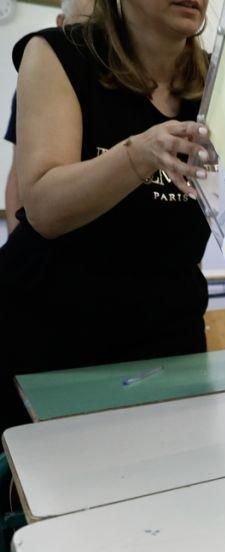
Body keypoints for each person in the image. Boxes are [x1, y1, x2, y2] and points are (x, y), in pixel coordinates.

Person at [0, 0, 212, 435]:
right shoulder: (59, 54)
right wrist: (141, 154)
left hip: (169, 338)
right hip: (50, 342)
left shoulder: (219, 83)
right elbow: (41, 205)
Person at [4, 0, 95, 229]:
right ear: (61, 23)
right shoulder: (43, 78)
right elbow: (19, 171)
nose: (92, 42)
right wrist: (17, 237)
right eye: (81, 29)